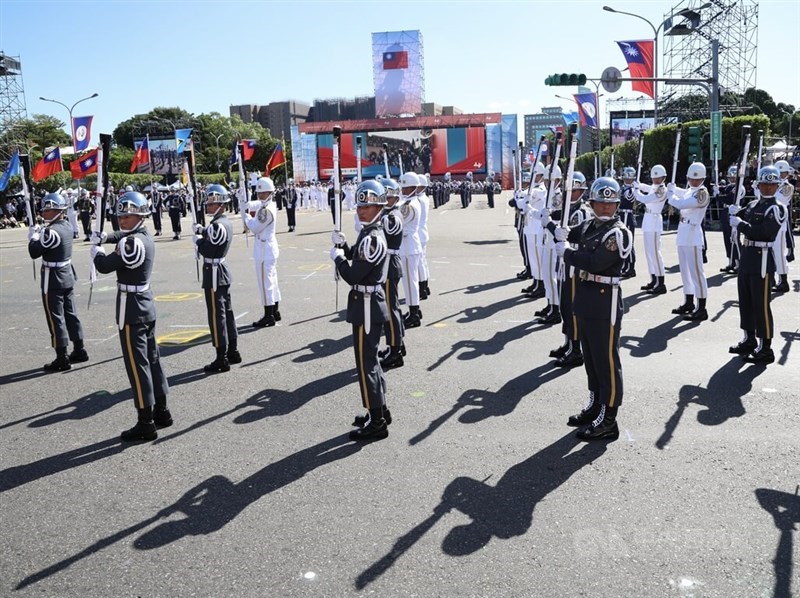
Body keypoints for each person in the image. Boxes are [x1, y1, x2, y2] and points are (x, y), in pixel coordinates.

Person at [554, 177, 632, 440]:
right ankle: (596, 405)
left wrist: (566, 252)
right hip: (587, 297)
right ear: (592, 203)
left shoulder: (617, 233)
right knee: (591, 358)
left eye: (611, 203)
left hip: (604, 299)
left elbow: (595, 262)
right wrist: (552, 227)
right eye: (601, 202)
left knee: (606, 360)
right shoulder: (589, 225)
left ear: (618, 205)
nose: (606, 207)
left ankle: (608, 419)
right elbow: (568, 232)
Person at [91, 191, 171, 441]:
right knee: (153, 361)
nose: (122, 219)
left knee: (138, 366)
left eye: (127, 216)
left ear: (140, 216)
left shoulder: (131, 244)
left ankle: (145, 422)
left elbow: (105, 266)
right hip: (145, 304)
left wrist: (97, 252)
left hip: (131, 309)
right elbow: (122, 234)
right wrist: (106, 236)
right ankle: (162, 411)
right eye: (121, 215)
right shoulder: (144, 236)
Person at [330, 180, 391, 441]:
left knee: (366, 366)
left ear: (379, 207)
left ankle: (377, 422)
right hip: (365, 303)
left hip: (366, 306)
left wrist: (338, 260)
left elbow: (354, 274)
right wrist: (345, 247)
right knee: (371, 362)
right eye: (359, 206)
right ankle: (380, 411)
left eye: (367, 206)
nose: (361, 211)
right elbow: (359, 256)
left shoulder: (373, 237)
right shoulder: (369, 233)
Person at [728, 166, 786, 364]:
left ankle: (766, 348)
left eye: (772, 184)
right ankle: (749, 339)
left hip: (762, 259)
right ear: (758, 185)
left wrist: (740, 224)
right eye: (764, 184)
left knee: (761, 305)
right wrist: (734, 211)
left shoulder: (776, 208)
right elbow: (740, 216)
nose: (768, 187)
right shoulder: (753, 205)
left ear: (777, 185)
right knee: (745, 302)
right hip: (747, 256)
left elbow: (764, 232)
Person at [27, 192, 88, 372]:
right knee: (71, 314)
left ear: (56, 211)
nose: (43, 212)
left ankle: (62, 357)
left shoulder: (50, 231)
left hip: (53, 277)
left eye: (47, 210)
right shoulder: (67, 226)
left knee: (55, 318)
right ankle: (79, 349)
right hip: (67, 274)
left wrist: (33, 237)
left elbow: (34, 252)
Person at [545, 171, 592, 367]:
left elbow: (566, 236)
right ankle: (568, 343)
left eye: (573, 190)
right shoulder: (569, 209)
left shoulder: (581, 212)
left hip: (574, 266)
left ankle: (576, 350)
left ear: (580, 191)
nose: (569, 194)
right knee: (565, 307)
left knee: (572, 309)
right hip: (565, 264)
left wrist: (549, 225)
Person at [193, 184, 241, 373]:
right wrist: (203, 230)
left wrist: (198, 241)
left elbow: (208, 249)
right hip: (221, 270)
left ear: (221, 204)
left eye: (212, 203)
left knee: (216, 316)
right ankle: (233, 351)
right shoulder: (222, 223)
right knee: (227, 313)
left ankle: (221, 358)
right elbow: (213, 237)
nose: (208, 205)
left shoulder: (217, 225)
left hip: (214, 272)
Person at [667, 162, 711, 321]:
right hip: (683, 233)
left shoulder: (702, 194)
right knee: (685, 271)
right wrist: (673, 188)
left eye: (697, 179)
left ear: (703, 179)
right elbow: (684, 193)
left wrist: (670, 194)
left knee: (697, 273)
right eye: (691, 179)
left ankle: (702, 308)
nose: (694, 181)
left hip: (693, 234)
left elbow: (681, 203)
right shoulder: (691, 191)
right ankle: (689, 302)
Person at [242, 177, 282, 327]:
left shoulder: (266, 211)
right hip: (267, 248)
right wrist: (246, 203)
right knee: (272, 281)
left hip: (264, 250)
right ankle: (275, 311)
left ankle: (268, 315)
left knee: (265, 283)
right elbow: (257, 204)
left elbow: (255, 227)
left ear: (269, 193)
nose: (259, 195)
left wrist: (246, 218)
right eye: (258, 193)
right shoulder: (269, 204)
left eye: (262, 193)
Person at [377, 178, 405, 369]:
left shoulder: (391, 217)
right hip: (389, 263)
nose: (383, 200)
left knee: (390, 309)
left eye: (387, 197)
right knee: (392, 307)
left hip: (389, 264)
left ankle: (395, 351)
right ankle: (397, 345)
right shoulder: (389, 214)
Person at [633, 164, 669, 294]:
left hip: (654, 221)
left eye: (658, 178)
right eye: (654, 178)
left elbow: (645, 199)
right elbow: (648, 188)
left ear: (663, 178)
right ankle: (654, 279)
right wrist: (640, 185)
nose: (656, 180)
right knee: (649, 253)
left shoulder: (662, 190)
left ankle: (661, 283)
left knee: (655, 253)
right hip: (648, 220)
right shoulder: (655, 187)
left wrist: (636, 190)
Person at [398, 172, 423, 328]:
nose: (402, 190)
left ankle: (414, 315)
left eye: (405, 188)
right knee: (410, 281)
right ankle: (415, 310)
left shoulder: (410, 206)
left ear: (412, 188)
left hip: (408, 247)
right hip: (409, 246)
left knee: (409, 282)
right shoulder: (409, 202)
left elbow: (398, 221)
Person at [771, 160, 795, 293]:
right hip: (769, 221)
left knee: (779, 252)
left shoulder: (787, 187)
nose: (780, 175)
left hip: (780, 222)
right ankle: (772, 279)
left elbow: (778, 199)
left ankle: (783, 281)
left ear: (787, 173)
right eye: (778, 173)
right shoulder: (772, 185)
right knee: (771, 252)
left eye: (783, 173)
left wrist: (766, 188)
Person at [618, 166, 637, 278]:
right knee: (622, 242)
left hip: (627, 216)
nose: (625, 179)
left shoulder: (632, 189)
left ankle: (631, 267)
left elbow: (629, 198)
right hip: (622, 215)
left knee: (628, 242)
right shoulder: (623, 188)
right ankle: (625, 265)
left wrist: (631, 189)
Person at [416, 173, 432, 301]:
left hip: (418, 234)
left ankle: (422, 288)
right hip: (422, 232)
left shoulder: (419, 200)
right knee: (423, 261)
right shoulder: (424, 198)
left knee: (420, 262)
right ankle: (425, 285)